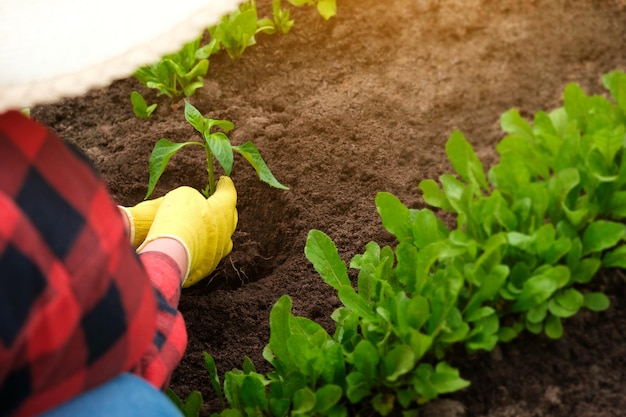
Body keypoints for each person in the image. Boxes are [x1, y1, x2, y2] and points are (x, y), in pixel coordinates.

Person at [0, 0, 243, 416]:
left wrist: (121, 224)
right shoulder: (27, 169)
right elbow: (121, 344)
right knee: (128, 404)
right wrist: (172, 248)